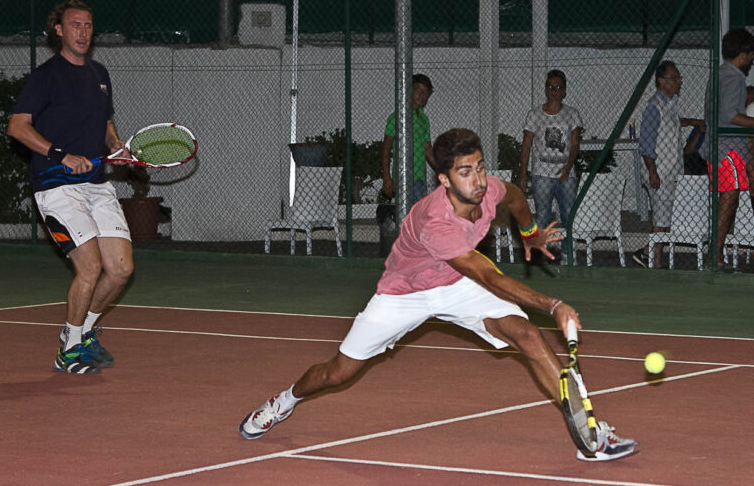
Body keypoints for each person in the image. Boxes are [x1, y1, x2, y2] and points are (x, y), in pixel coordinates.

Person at [239, 128, 638, 462]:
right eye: (465, 172)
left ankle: (590, 436)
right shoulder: (437, 222)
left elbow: (516, 196)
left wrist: (530, 233)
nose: (478, 180)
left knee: (527, 334)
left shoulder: (488, 191)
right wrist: (553, 305)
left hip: (457, 284)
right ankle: (283, 401)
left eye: (480, 167)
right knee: (337, 372)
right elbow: (490, 277)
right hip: (405, 294)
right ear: (444, 180)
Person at [7, 0, 133, 374]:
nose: (83, 32)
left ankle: (82, 332)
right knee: (90, 267)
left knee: (121, 269)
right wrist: (60, 155)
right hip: (56, 185)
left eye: (88, 25)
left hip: (96, 184)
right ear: (59, 30)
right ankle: (69, 351)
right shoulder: (44, 76)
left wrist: (115, 145)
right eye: (75, 25)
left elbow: (105, 123)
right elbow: (17, 127)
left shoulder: (100, 74)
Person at [631, 61, 703, 269]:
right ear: (662, 82)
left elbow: (675, 122)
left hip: (670, 171)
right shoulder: (654, 107)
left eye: (679, 78)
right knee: (661, 219)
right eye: (675, 78)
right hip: (660, 171)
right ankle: (654, 260)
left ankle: (648, 254)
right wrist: (653, 173)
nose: (679, 81)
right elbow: (646, 145)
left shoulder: (670, 104)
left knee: (664, 218)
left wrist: (693, 122)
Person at [703, 28, 754, 271]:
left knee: (728, 198)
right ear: (743, 55)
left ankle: (716, 253)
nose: (752, 59)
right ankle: (715, 255)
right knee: (728, 198)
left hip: (719, 147)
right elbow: (731, 116)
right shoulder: (734, 78)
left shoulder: (719, 74)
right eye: (751, 55)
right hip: (728, 149)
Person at [519, 70, 582, 248]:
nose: (554, 91)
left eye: (558, 87)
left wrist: (568, 167)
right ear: (546, 89)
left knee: (568, 215)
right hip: (541, 173)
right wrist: (523, 174)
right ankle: (541, 253)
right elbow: (526, 145)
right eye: (551, 87)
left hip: (565, 173)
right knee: (542, 216)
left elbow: (575, 144)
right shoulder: (534, 114)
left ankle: (567, 254)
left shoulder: (572, 114)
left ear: (564, 91)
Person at [381, 73, 436, 204]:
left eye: (426, 92)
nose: (422, 95)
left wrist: (442, 170)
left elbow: (427, 148)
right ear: (409, 91)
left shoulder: (424, 120)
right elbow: (386, 149)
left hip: (420, 177)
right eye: (418, 90)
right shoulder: (397, 117)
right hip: (403, 176)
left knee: (419, 212)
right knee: (413, 213)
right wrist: (387, 178)